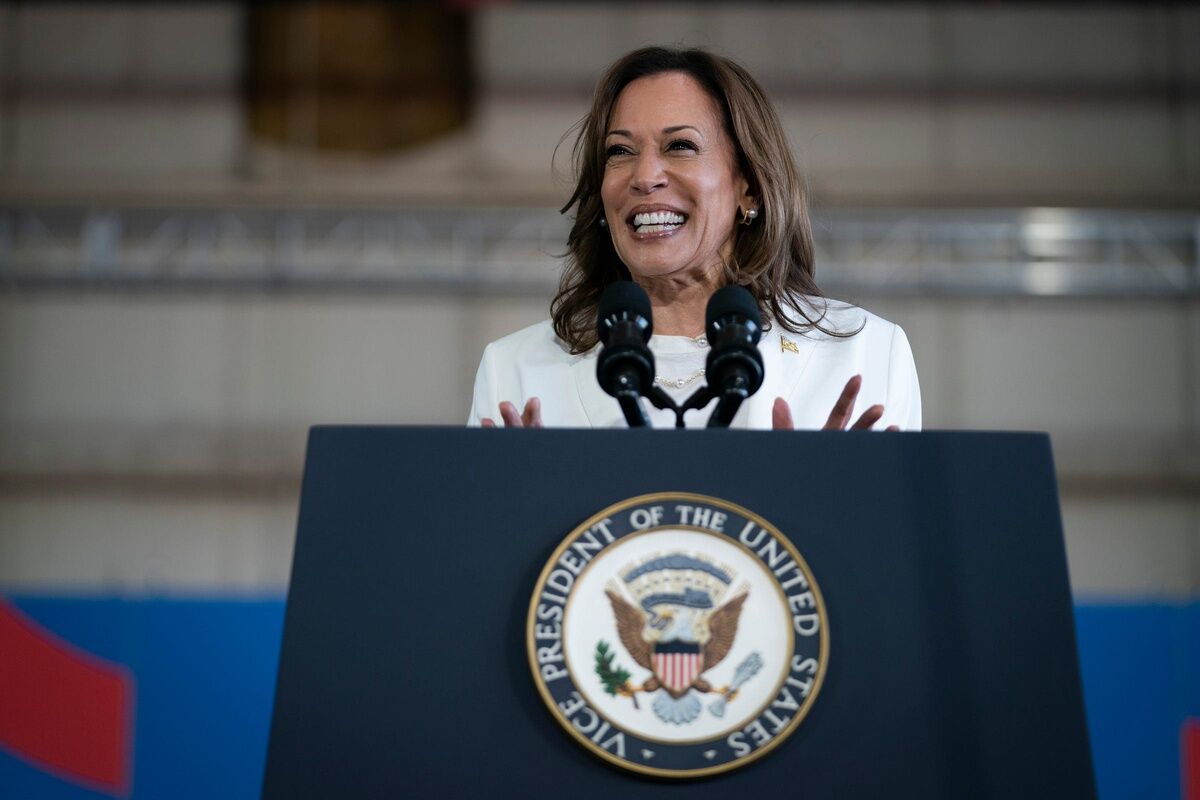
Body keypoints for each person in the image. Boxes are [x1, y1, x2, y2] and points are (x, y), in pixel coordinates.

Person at [468, 47, 920, 431]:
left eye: (679, 146)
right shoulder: (514, 370)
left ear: (749, 186)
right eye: (619, 152)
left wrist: (834, 497)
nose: (644, 177)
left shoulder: (862, 355)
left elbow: (891, 533)